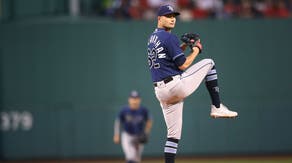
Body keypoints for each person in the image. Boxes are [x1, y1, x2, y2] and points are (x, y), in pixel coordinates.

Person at [147, 5, 238, 163]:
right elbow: (183, 65)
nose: (172, 18)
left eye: (174, 15)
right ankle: (217, 107)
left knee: (173, 136)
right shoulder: (169, 37)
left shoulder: (153, 38)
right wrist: (195, 48)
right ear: (159, 18)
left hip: (161, 92)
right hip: (175, 86)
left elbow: (170, 58)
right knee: (209, 63)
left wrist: (182, 46)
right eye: (168, 16)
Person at [113, 90, 153, 163]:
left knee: (136, 159)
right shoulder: (124, 110)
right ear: (129, 100)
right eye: (133, 98)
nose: (134, 101)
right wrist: (116, 134)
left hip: (139, 136)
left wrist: (146, 133)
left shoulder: (143, 110)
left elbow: (149, 120)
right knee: (130, 156)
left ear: (139, 100)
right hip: (127, 136)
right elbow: (118, 122)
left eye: (136, 99)